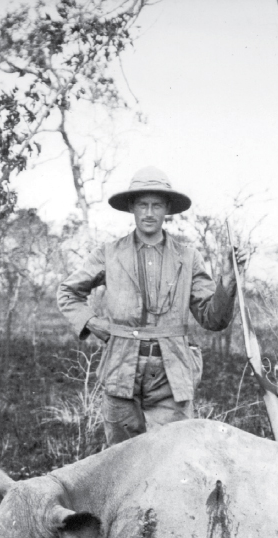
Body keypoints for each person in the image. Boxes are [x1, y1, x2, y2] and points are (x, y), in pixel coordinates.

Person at [57, 166, 248, 446]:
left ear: (167, 209)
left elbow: (213, 318)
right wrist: (91, 322)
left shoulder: (188, 257)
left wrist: (229, 281)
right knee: (121, 460)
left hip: (172, 372)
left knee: (174, 456)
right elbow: (67, 292)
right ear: (132, 208)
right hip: (120, 368)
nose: (149, 213)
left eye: (156, 205)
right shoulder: (108, 254)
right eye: (142, 205)